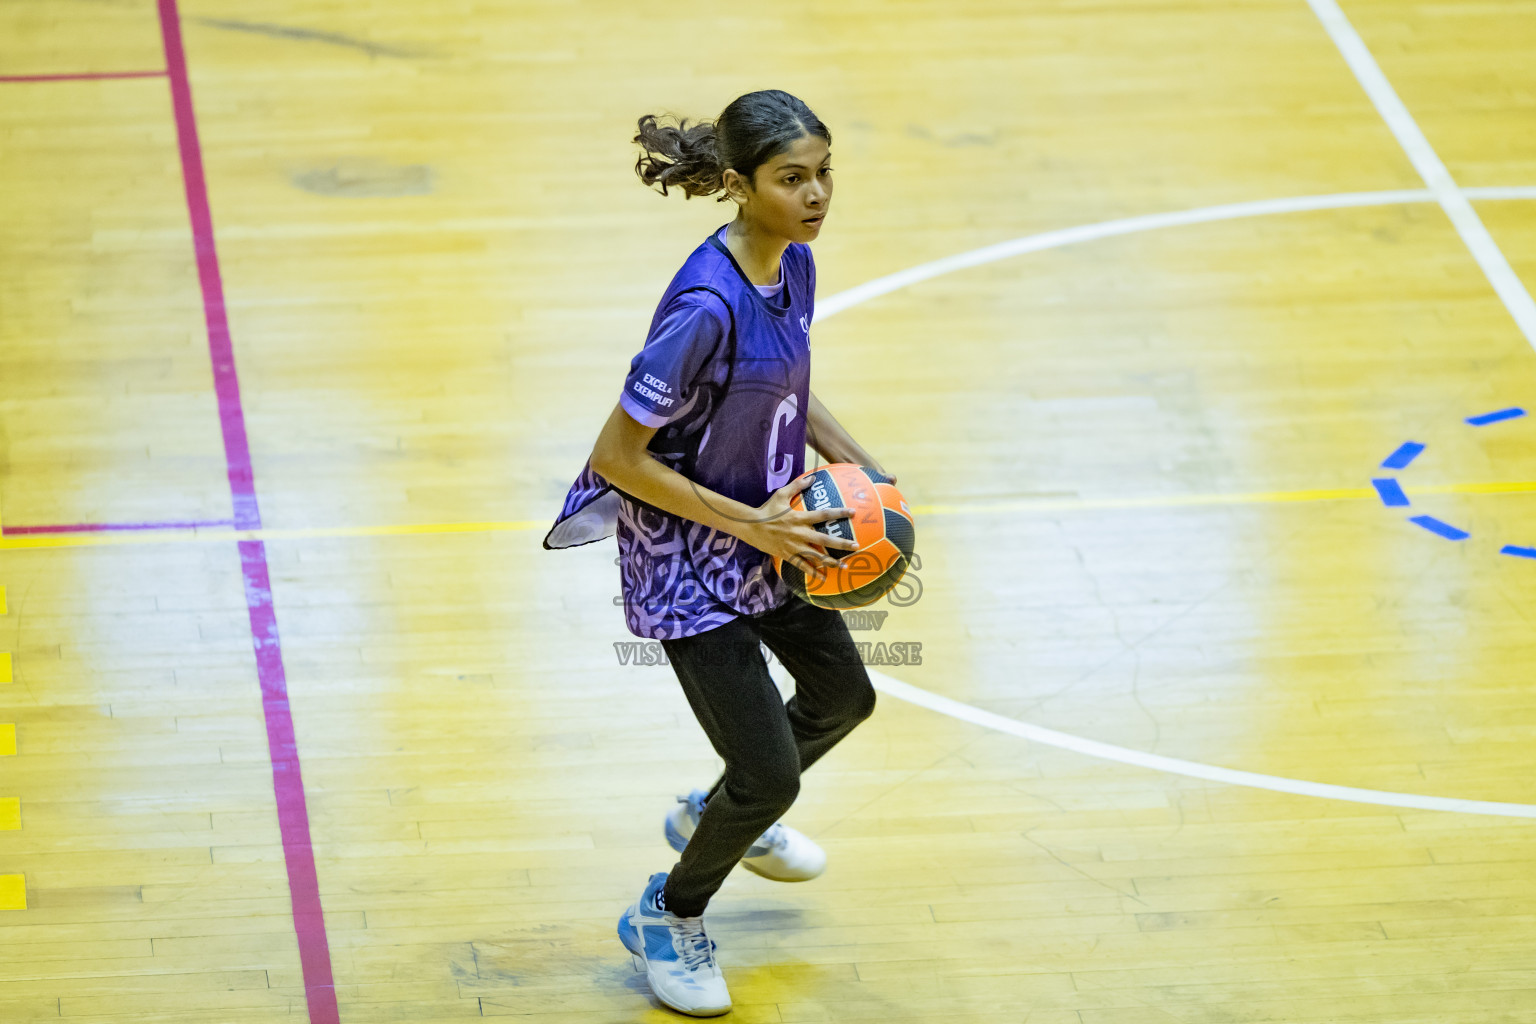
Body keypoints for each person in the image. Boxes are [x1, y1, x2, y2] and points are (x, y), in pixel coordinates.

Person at [543, 89, 892, 1017]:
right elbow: (619, 458)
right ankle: (669, 912)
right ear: (739, 186)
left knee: (844, 698)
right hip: (691, 560)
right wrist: (754, 526)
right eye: (792, 179)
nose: (816, 195)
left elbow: (789, 380)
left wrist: (858, 464)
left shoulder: (793, 266)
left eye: (824, 173)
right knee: (772, 775)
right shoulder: (704, 305)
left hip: (771, 532)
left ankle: (715, 813)